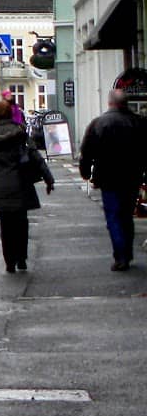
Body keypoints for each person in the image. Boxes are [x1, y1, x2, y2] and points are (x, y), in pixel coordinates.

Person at [0, 99, 54, 273]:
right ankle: (21, 258)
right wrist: (48, 178)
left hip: (0, 187)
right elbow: (35, 156)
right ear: (10, 114)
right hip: (21, 184)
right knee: (21, 223)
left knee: (6, 226)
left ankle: (9, 261)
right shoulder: (19, 134)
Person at [78, 80, 147, 272]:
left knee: (113, 217)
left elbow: (87, 151)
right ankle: (127, 252)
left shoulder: (99, 123)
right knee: (126, 215)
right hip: (132, 176)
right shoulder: (138, 122)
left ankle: (121, 255)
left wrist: (85, 171)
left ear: (109, 103)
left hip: (107, 177)